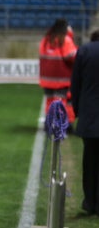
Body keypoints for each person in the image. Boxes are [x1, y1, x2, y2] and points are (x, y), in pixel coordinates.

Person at [70, 29, 99, 215]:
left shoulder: (84, 51)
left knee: (90, 161)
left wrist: (78, 111)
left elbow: (75, 84)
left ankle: (90, 202)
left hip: (89, 116)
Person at [39, 18, 78, 124]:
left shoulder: (46, 40)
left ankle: (50, 123)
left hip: (47, 79)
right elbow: (71, 56)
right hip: (61, 79)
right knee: (61, 102)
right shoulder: (65, 40)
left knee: (50, 101)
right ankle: (62, 124)